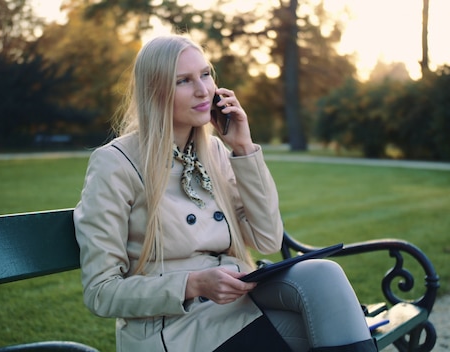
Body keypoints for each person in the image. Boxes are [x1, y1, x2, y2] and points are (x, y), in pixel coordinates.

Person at [73, 34, 377, 352]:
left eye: (205, 74)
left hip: (236, 303)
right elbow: (101, 292)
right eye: (184, 81)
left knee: (324, 276)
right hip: (176, 328)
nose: (204, 90)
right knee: (327, 332)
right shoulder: (115, 163)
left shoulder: (215, 151)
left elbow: (268, 240)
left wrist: (244, 149)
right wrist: (194, 284)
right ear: (155, 91)